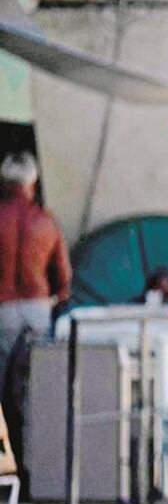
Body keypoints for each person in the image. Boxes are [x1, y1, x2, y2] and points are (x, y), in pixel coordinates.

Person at [0, 152, 70, 393]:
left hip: (3, 306)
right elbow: (64, 276)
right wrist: (55, 298)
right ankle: (35, 430)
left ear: (6, 182)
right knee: (35, 378)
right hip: (38, 306)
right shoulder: (47, 221)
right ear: (33, 182)